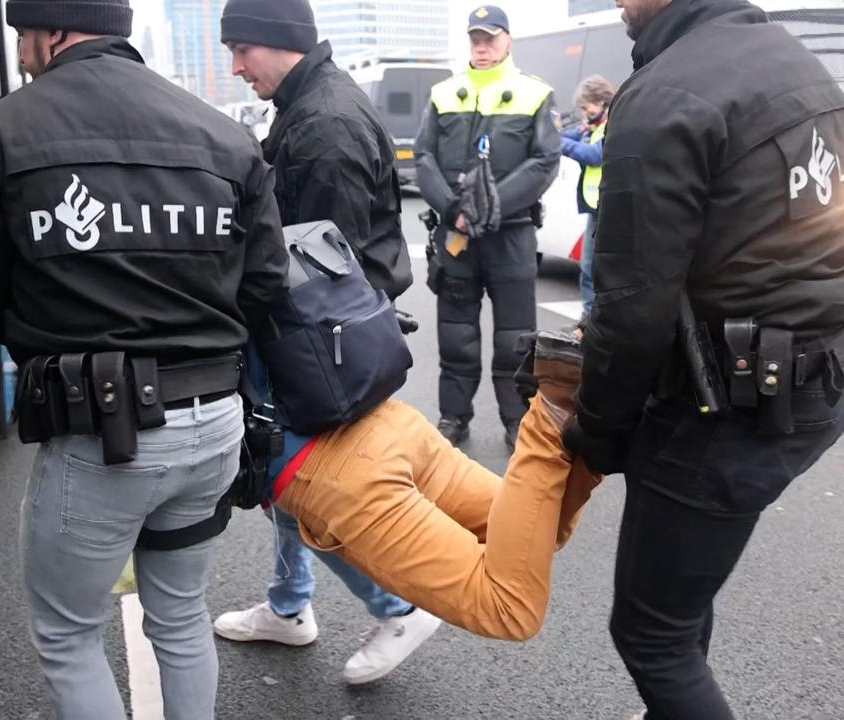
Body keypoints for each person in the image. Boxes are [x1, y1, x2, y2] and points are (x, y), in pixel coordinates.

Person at [0, 0, 288, 716]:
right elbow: (265, 283)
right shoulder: (224, 135)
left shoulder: (0, 133)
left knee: (69, 634)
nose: (22, 50)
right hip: (215, 424)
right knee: (182, 616)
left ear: (55, 31)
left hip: (102, 434)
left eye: (24, 34)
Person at [562, 0, 844, 716]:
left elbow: (632, 306)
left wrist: (596, 432)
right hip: (826, 370)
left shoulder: (669, 92)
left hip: (735, 402)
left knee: (651, 633)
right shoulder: (796, 62)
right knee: (680, 593)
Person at [214, 0, 436, 686]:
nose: (236, 66)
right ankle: (288, 606)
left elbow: (318, 262)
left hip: (319, 338)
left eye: (243, 49)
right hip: (330, 331)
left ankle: (396, 606)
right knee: (288, 481)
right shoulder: (315, 104)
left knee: (299, 479)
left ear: (279, 44)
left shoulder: (323, 124)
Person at [253, 328, 602, 641]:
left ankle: (555, 407)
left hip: (326, 465)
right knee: (543, 523)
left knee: (507, 607)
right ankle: (583, 419)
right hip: (384, 417)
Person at [415, 5, 560, 452]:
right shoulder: (444, 93)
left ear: (507, 40)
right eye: (475, 38)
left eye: (490, 37)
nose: (482, 46)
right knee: (456, 335)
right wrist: (455, 208)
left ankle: (517, 419)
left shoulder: (533, 93)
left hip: (510, 235)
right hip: (457, 236)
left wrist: (490, 206)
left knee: (515, 339)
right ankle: (453, 418)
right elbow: (424, 157)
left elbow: (545, 161)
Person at [559, 75, 616, 338]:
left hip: (608, 210)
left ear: (603, 102)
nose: (584, 113)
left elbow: (594, 156)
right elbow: (566, 136)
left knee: (596, 270)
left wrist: (559, 142)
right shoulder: (592, 127)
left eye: (587, 107)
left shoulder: (612, 126)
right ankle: (587, 321)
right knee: (587, 269)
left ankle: (594, 325)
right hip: (596, 209)